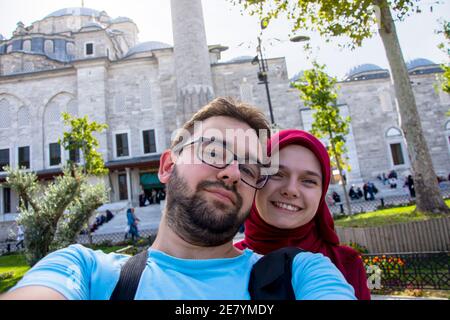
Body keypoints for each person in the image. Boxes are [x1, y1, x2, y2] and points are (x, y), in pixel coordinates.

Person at [2, 98, 355, 300]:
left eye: (249, 167)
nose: (232, 172)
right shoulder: (86, 271)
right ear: (168, 165)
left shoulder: (301, 273)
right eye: (215, 151)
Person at [235, 129, 370, 300]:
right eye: (277, 174)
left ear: (321, 194)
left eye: (308, 181)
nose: (291, 190)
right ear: (257, 179)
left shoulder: (347, 263)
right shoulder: (223, 262)